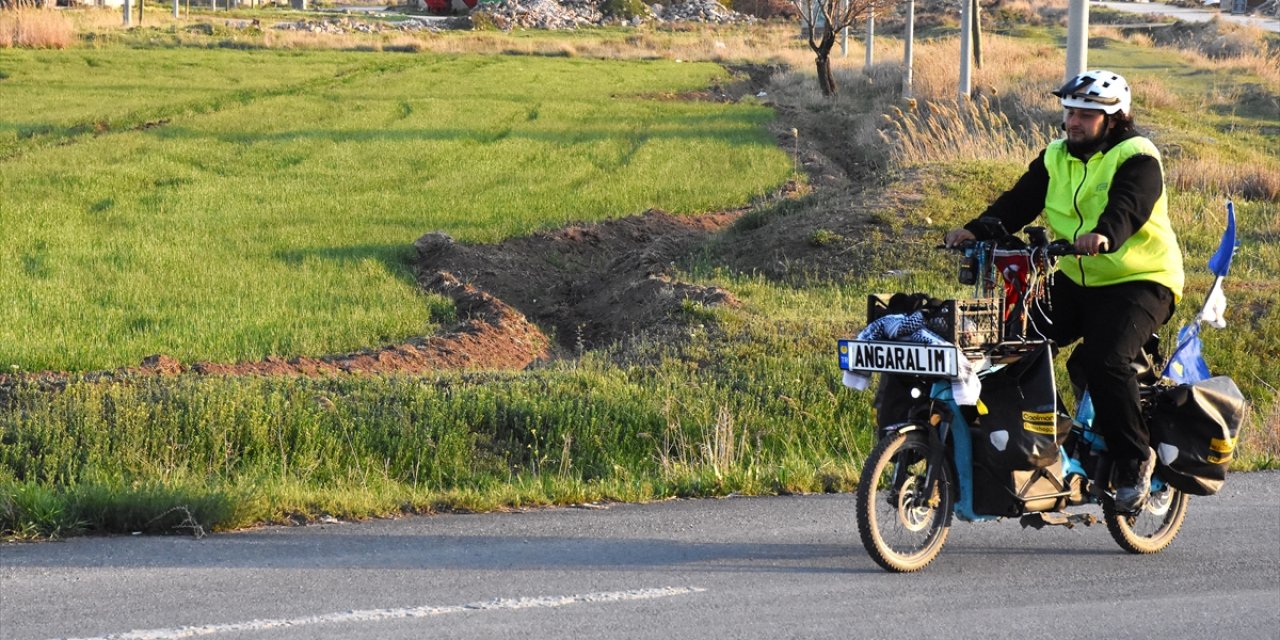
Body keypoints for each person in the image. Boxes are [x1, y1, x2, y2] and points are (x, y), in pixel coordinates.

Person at [943, 70, 1184, 513]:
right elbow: (1018, 202)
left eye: (1085, 115)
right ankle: (1046, 439)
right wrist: (975, 230)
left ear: (1112, 119)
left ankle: (1135, 461)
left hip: (1141, 280)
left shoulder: (1137, 157)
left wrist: (1104, 234)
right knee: (1015, 342)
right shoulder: (1056, 156)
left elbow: (1128, 207)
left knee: (1106, 358)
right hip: (1077, 278)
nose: (1073, 122)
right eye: (1070, 112)